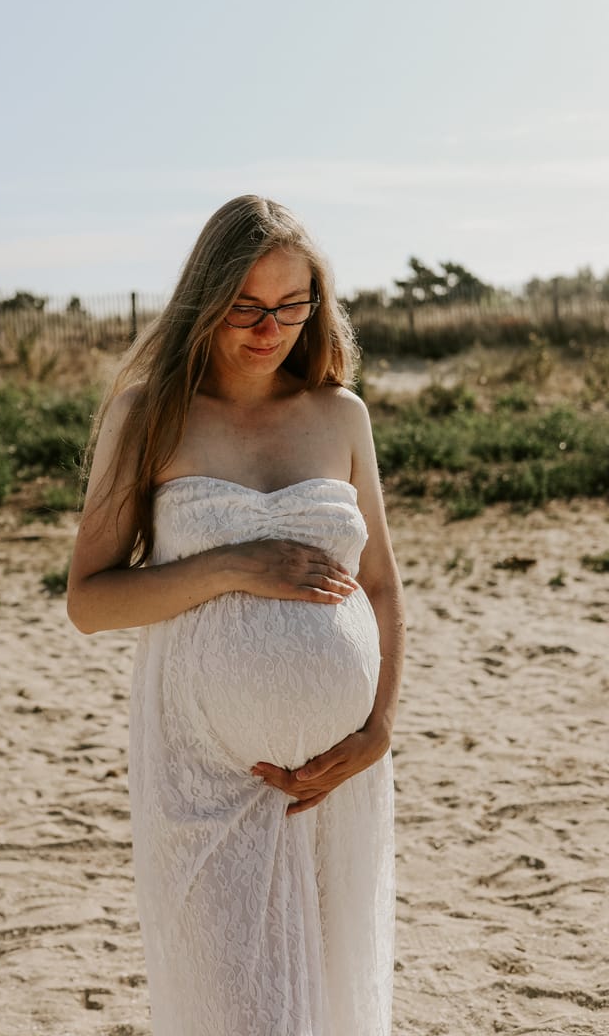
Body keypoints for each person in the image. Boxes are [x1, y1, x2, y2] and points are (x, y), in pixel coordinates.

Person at [67, 195, 405, 1036]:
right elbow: (90, 600)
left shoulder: (342, 415)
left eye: (292, 307)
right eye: (246, 307)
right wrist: (229, 566)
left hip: (337, 780)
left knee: (332, 1005)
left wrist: (378, 730)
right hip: (204, 778)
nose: (270, 329)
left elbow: (382, 587)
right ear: (205, 300)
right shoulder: (148, 416)